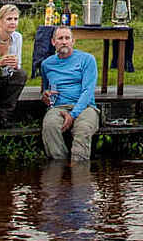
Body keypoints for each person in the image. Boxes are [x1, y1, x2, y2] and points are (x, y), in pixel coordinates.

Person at [38, 23, 100, 164]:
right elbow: (46, 88)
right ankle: (59, 167)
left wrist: (72, 115)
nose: (64, 42)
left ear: (73, 41)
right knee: (50, 126)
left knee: (83, 129)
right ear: (53, 42)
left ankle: (79, 169)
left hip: (86, 107)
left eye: (67, 38)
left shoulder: (87, 59)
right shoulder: (46, 64)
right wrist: (45, 95)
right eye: (60, 38)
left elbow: (88, 91)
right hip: (58, 107)